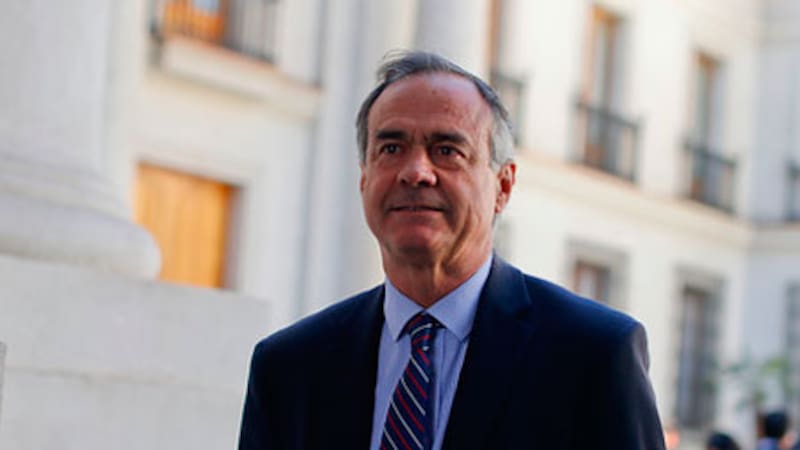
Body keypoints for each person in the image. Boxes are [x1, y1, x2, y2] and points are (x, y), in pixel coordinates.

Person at [238, 50, 666, 450]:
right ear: (364, 179)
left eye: (447, 150)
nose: (416, 172)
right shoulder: (290, 369)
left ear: (502, 186)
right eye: (391, 149)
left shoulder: (593, 355)